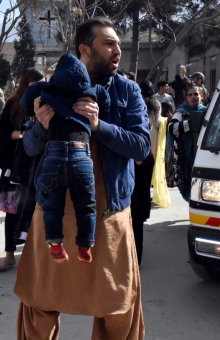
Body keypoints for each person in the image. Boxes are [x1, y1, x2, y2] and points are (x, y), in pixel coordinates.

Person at [15, 17, 150, 339]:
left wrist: (99, 126)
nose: (118, 49)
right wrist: (41, 125)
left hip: (107, 215)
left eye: (118, 43)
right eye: (109, 43)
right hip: (53, 214)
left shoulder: (127, 90)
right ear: (85, 49)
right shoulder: (50, 91)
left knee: (118, 305)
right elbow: (30, 148)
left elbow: (142, 145)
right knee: (39, 304)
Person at [20, 53, 110, 263]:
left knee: (52, 205)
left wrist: (36, 101)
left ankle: (55, 244)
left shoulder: (46, 90)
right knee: (86, 205)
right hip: (82, 155)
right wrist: (96, 106)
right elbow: (106, 101)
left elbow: (26, 101)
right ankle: (85, 245)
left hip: (54, 155)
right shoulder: (90, 92)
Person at [0, 68, 45, 272]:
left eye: (42, 84)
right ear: (26, 85)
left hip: (39, 166)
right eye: (35, 85)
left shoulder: (47, 103)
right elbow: (4, 133)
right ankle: (9, 254)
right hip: (15, 168)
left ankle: (33, 256)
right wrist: (21, 134)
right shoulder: (13, 105)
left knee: (37, 213)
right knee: (11, 210)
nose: (39, 89)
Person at [130, 81, 160, 265]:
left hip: (141, 158)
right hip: (143, 155)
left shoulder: (140, 109)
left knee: (136, 211)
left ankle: (135, 258)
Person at [168, 85, 207, 201]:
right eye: (190, 95)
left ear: (202, 97)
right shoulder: (181, 111)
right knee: (187, 181)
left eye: (196, 94)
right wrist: (190, 124)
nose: (193, 97)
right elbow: (171, 128)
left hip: (204, 153)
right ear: (187, 98)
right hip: (185, 154)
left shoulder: (208, 111)